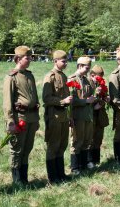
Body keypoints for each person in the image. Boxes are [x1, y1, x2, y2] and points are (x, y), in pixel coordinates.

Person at [3, 46, 40, 184]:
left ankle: (24, 178)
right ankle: (17, 180)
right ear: (18, 59)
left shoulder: (29, 75)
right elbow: (7, 102)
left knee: (27, 148)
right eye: (27, 58)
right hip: (20, 117)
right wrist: (10, 121)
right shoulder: (11, 77)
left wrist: (37, 118)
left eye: (30, 57)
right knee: (17, 149)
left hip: (31, 117)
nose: (30, 59)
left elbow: (35, 97)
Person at [42, 50, 73, 184]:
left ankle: (61, 174)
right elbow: (46, 98)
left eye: (66, 61)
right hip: (54, 114)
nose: (65, 63)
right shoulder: (50, 76)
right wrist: (62, 101)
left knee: (62, 145)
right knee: (53, 146)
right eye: (63, 61)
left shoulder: (64, 76)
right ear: (55, 61)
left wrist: (69, 115)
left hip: (63, 115)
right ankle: (53, 177)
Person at [68, 57, 95, 174]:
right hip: (77, 115)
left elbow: (90, 95)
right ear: (79, 66)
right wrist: (86, 101)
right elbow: (71, 100)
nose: (88, 70)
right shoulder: (72, 80)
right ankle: (75, 167)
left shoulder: (86, 80)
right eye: (86, 68)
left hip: (87, 115)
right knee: (76, 141)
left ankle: (83, 164)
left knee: (86, 140)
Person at [89, 65, 110, 166]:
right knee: (90, 138)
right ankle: (89, 161)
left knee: (98, 137)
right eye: (98, 76)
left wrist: (105, 99)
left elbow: (105, 95)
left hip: (100, 114)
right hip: (90, 114)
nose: (100, 78)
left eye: (101, 76)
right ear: (92, 75)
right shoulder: (88, 84)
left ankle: (96, 160)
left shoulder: (101, 84)